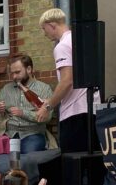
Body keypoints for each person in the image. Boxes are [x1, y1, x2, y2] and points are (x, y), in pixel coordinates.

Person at [36, 8, 99, 152]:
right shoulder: (80, 41)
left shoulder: (62, 46)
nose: (44, 33)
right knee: (92, 163)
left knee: (73, 166)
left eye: (44, 28)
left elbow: (67, 81)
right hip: (92, 109)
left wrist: (47, 106)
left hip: (74, 114)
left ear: (52, 25)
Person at [0, 54, 53, 153]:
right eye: (12, 73)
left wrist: (22, 113)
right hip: (9, 135)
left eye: (17, 72)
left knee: (27, 158)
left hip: (33, 134)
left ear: (29, 69)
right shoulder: (7, 89)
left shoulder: (44, 89)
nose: (14, 77)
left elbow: (47, 117)